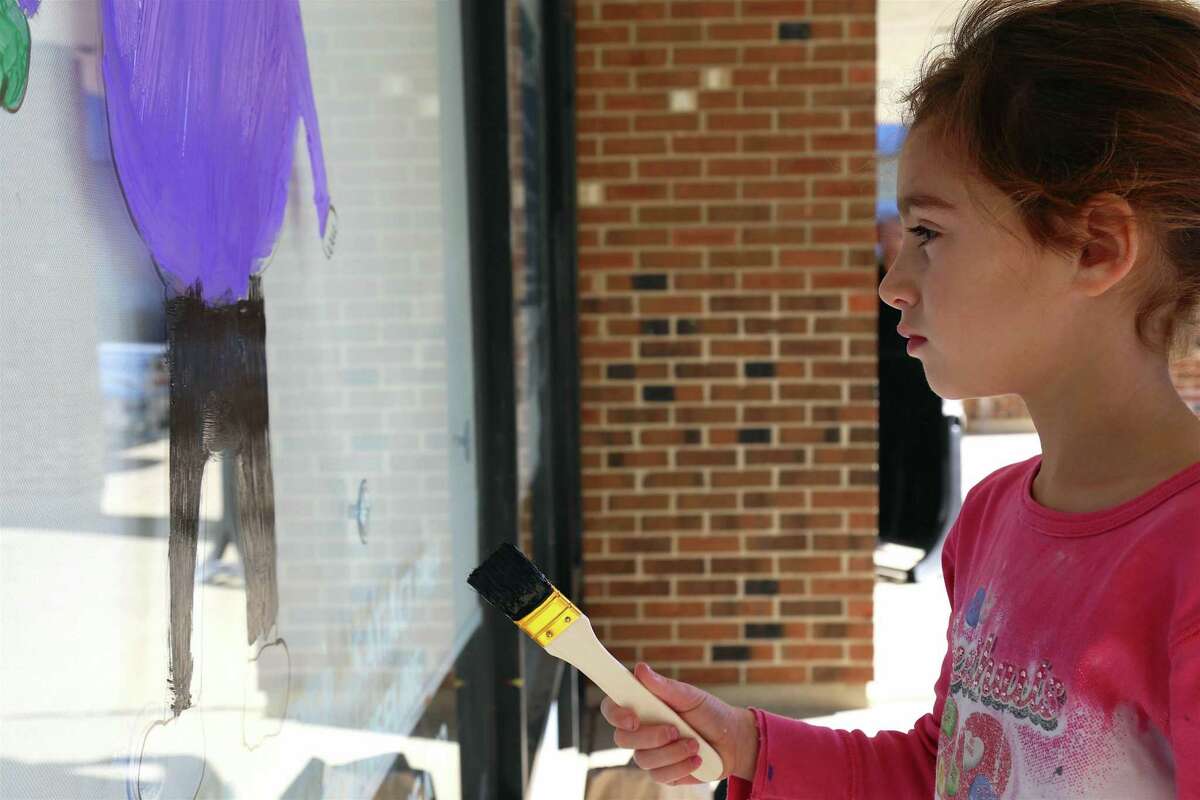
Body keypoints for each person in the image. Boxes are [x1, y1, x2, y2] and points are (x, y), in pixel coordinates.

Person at [598, 0, 1200, 796]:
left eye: (928, 234)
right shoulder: (988, 519)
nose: (893, 285)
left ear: (1095, 248)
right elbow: (942, 772)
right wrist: (748, 742)